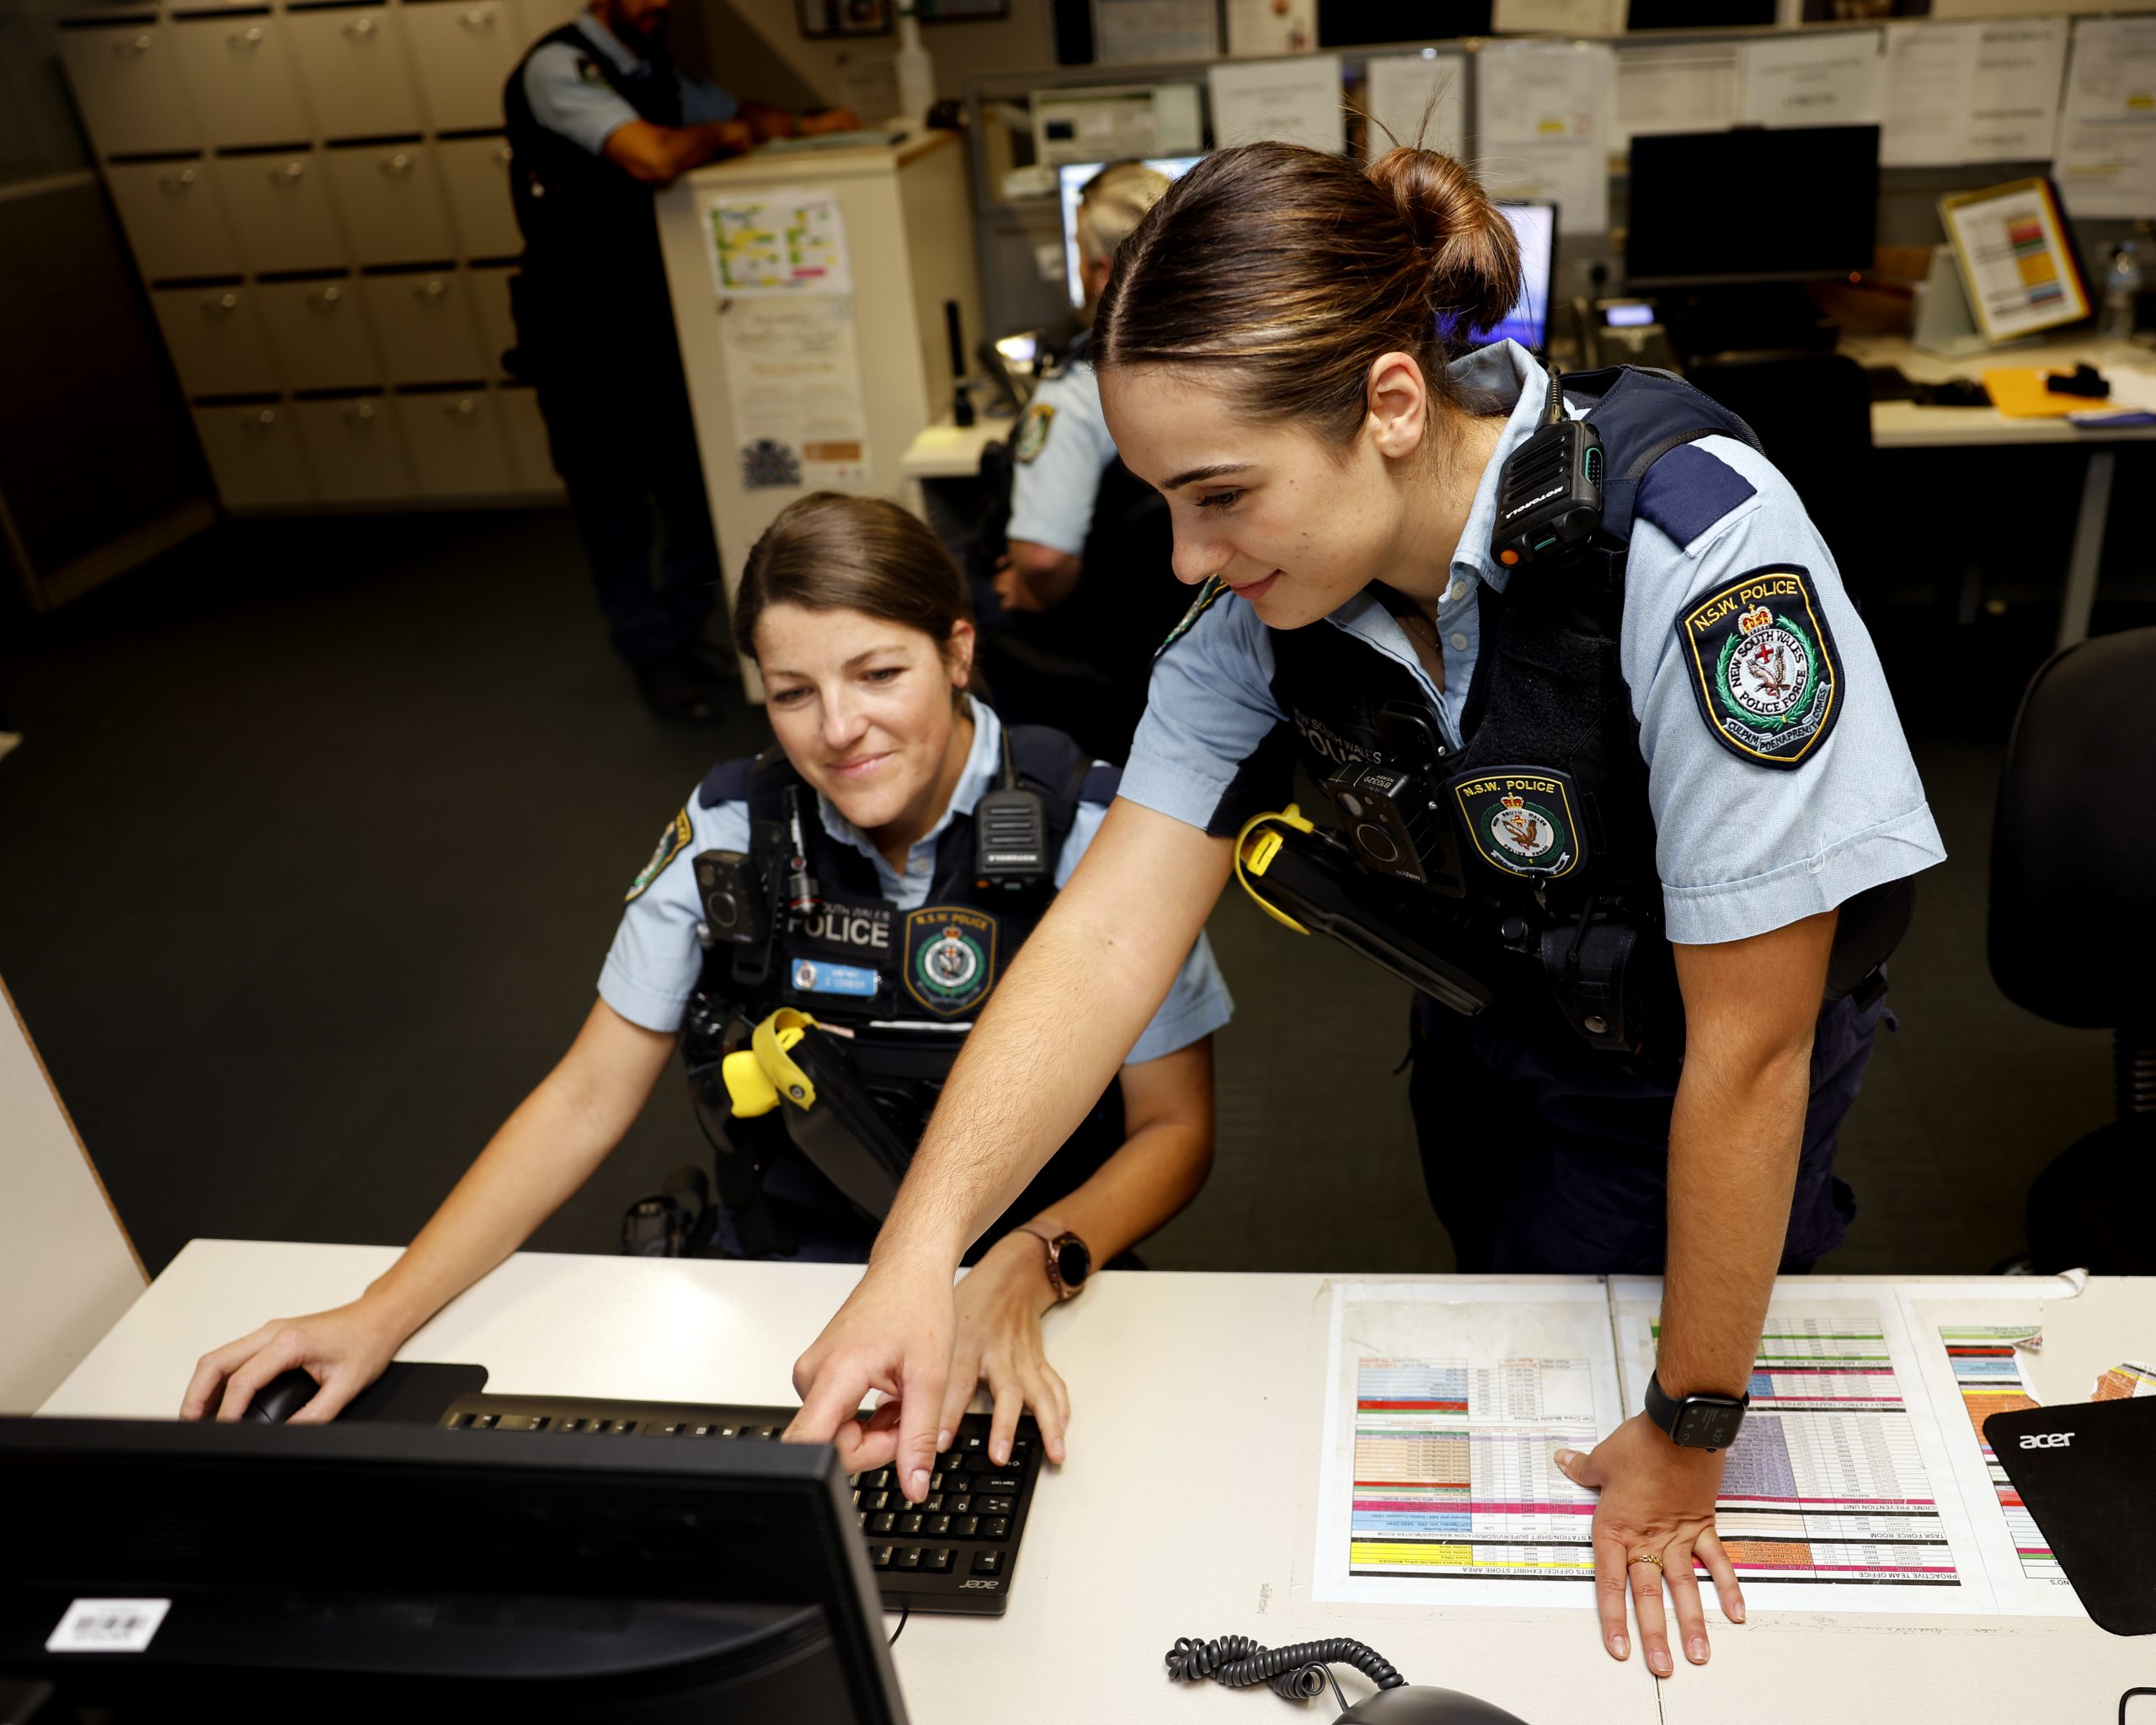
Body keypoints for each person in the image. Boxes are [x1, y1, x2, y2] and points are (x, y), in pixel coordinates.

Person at [783, 144, 1945, 1679]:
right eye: (1163, 502)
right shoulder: (1257, 613)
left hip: (1698, 1069)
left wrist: (1690, 1428)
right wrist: (914, 1259)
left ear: (1393, 403)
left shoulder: (1694, 547)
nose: (1189, 557)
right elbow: (1105, 939)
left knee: (1623, 1451)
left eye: (1222, 496)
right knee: (1512, 1306)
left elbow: (1753, 1049)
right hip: (1489, 1027)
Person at [180, 493, 1230, 1473]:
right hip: (790, 1276)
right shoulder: (730, 829)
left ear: (958, 650)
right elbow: (585, 1095)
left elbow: (1173, 1130)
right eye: (793, 692)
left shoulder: (1097, 830)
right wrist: (378, 1311)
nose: (838, 730)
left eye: (877, 674)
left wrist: (1029, 1265)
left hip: (1027, 1272)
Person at [501, 0, 857, 724]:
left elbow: (734, 114)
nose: (659, 6)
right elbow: (653, 156)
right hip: (580, 335)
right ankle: (649, 654)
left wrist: (802, 124)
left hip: (656, 326)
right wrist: (722, 136)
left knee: (694, 495)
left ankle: (680, 630)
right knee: (614, 508)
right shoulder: (559, 66)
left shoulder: (651, 69)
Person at [979, 161, 1187, 757]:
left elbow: (1045, 560)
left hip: (1098, 656)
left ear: (1104, 272)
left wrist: (1025, 587)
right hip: (1192, 632)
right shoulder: (1216, 362)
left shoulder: (1075, 394)